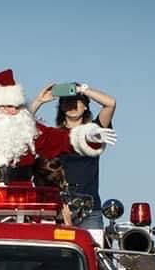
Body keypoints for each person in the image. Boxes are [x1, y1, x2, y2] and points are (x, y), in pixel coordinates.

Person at [0, 69, 115, 187]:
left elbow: (58, 139)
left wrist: (87, 134)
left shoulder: (25, 126)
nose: (11, 111)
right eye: (6, 106)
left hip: (19, 199)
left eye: (16, 106)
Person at [28, 81, 116, 230]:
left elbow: (110, 104)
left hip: (90, 211)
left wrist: (83, 90)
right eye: (67, 101)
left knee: (92, 251)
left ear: (86, 105)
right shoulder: (53, 136)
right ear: (61, 107)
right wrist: (39, 101)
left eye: (78, 100)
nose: (72, 104)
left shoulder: (94, 132)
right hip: (57, 209)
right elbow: (19, 124)